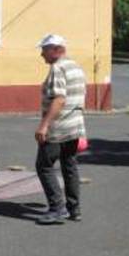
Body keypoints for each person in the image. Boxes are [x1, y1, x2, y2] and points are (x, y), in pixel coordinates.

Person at [34, 34, 86, 224]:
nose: (41, 54)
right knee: (69, 166)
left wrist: (44, 125)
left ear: (56, 49)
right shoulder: (76, 67)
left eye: (44, 49)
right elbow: (78, 101)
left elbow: (59, 99)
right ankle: (75, 209)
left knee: (44, 166)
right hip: (74, 128)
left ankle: (57, 208)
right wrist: (82, 130)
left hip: (58, 128)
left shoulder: (58, 68)